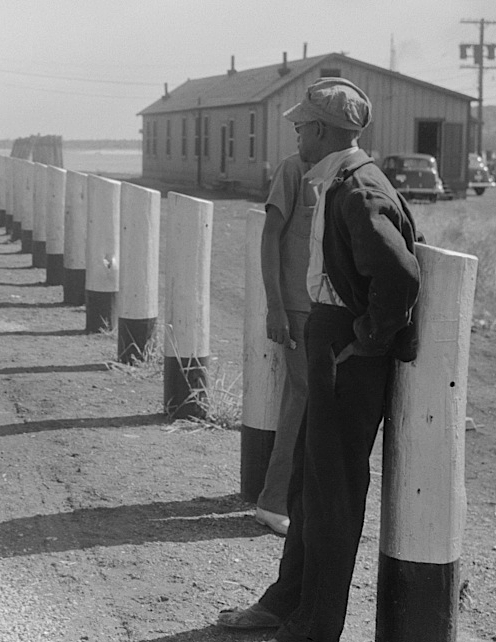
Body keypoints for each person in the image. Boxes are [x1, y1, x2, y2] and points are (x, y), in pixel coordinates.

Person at [218, 78, 421, 642]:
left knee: (332, 495)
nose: (296, 132)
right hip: (329, 338)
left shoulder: (359, 190)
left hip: (346, 351)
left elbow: (400, 277)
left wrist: (365, 341)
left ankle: (315, 625)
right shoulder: (336, 182)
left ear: (327, 132)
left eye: (303, 125)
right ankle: (287, 601)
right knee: (311, 483)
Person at [255, 154, 315, 536]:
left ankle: (297, 498)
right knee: (302, 397)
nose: (298, 132)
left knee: (316, 401)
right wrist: (276, 307)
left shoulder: (348, 168)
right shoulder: (294, 170)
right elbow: (270, 235)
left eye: (305, 124)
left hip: (328, 306)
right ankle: (273, 501)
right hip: (297, 306)